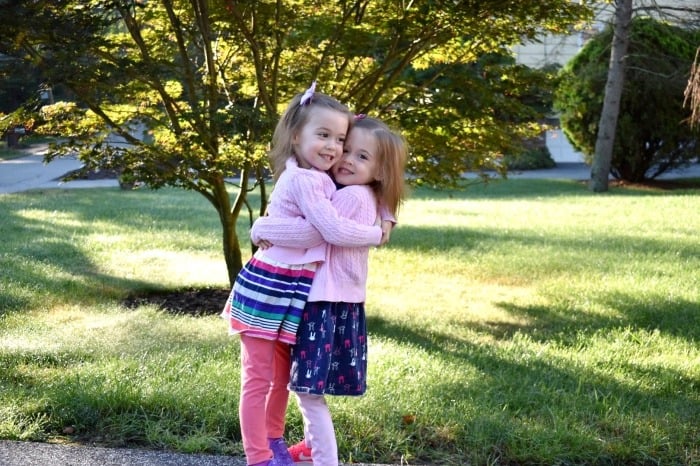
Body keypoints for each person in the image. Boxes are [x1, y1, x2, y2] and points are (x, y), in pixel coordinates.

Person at [222, 83, 389, 466]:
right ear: (296, 136)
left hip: (289, 295)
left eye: (341, 140)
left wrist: (386, 214)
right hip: (267, 291)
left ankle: (275, 444)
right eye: (324, 135)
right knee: (259, 380)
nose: (334, 148)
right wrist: (374, 235)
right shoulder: (304, 179)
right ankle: (259, 457)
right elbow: (323, 231)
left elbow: (374, 188)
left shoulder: (322, 177)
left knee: (280, 380)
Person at [250, 116, 408, 466]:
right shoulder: (361, 192)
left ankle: (323, 459)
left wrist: (263, 226)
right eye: (346, 149)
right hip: (336, 303)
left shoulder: (351, 196)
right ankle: (309, 448)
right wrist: (386, 216)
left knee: (308, 392)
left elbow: (315, 230)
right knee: (307, 385)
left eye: (361, 157)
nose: (347, 159)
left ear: (379, 172)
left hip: (323, 303)